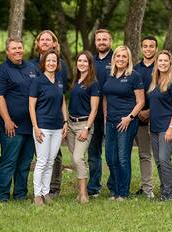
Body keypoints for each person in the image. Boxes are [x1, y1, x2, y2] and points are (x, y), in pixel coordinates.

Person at [0, 37, 39, 202]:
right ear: (7, 51)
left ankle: (20, 194)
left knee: (25, 162)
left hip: (30, 125)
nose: (18, 51)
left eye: (20, 47)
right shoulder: (2, 70)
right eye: (14, 48)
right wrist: (7, 120)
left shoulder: (32, 68)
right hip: (11, 126)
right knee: (9, 160)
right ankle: (2, 195)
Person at [103, 45, 145, 200]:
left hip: (126, 122)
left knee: (122, 157)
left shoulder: (134, 76)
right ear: (114, 58)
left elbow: (141, 101)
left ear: (128, 59)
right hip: (111, 122)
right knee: (110, 157)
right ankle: (113, 189)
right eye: (118, 56)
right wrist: (106, 116)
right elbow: (106, 97)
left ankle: (123, 192)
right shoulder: (110, 75)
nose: (120, 59)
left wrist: (129, 118)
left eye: (124, 56)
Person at [29, 30, 68, 197]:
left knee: (51, 161)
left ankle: (47, 193)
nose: (51, 63)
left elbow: (63, 101)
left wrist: (65, 122)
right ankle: (38, 195)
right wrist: (35, 127)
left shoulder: (59, 80)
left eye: (54, 61)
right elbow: (31, 106)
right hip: (42, 126)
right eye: (48, 61)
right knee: (42, 161)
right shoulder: (37, 80)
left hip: (57, 127)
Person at [147, 50, 172, 201]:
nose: (162, 63)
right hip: (154, 127)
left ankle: (169, 193)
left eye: (165, 61)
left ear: (170, 63)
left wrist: (170, 128)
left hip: (168, 127)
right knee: (158, 161)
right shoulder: (155, 81)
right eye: (159, 61)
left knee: (164, 158)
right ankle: (164, 192)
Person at [66, 51, 100, 203]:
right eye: (79, 60)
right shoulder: (76, 81)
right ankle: (80, 193)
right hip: (71, 124)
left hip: (83, 125)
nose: (82, 63)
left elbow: (94, 109)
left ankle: (84, 195)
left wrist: (87, 128)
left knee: (78, 158)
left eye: (85, 61)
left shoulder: (93, 83)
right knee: (75, 160)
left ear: (90, 64)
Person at [87, 29, 113, 197]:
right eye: (99, 39)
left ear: (110, 41)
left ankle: (114, 186)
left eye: (105, 39)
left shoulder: (117, 59)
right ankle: (94, 187)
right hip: (93, 115)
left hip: (113, 114)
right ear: (95, 42)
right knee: (93, 152)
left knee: (112, 153)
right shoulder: (91, 61)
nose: (102, 42)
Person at [133, 36, 158, 199]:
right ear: (141, 48)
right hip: (135, 116)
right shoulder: (135, 68)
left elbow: (163, 94)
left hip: (153, 117)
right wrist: (138, 112)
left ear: (156, 49)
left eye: (151, 46)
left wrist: (149, 112)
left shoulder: (160, 67)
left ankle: (147, 188)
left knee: (145, 154)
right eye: (145, 46)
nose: (148, 49)